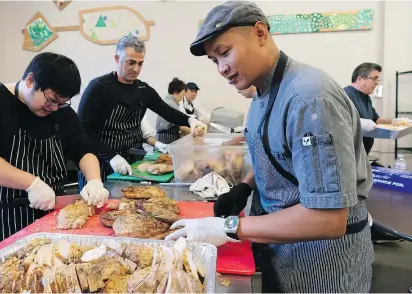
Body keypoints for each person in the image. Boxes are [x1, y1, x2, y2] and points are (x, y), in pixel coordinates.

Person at [166, 2, 374, 292]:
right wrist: (246, 187)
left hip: (322, 262)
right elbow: (277, 154)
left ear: (260, 33)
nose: (222, 68)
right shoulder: (263, 92)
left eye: (225, 53)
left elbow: (327, 218)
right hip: (282, 250)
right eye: (214, 61)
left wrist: (229, 228)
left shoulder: (309, 99)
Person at [0, 52, 109, 265]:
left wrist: (94, 180)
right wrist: (32, 183)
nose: (54, 108)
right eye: (51, 100)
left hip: (49, 221)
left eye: (61, 103)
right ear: (30, 80)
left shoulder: (62, 113)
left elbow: (83, 150)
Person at [77, 36, 206, 181]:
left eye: (140, 64)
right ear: (117, 59)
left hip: (133, 163)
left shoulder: (143, 90)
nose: (136, 69)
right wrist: (111, 156)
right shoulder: (99, 87)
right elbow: (82, 129)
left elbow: (167, 111)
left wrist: (190, 120)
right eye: (130, 63)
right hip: (101, 164)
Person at [344, 63, 392, 154]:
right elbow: (342, 121)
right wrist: (360, 122)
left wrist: (396, 121)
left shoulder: (366, 97)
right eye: (374, 78)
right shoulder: (346, 95)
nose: (377, 83)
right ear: (359, 79)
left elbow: (377, 120)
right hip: (350, 154)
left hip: (363, 155)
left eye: (378, 79)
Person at [156, 78, 193, 143]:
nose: (182, 97)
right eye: (182, 94)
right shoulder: (170, 104)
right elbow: (181, 126)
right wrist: (194, 130)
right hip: (166, 138)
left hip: (167, 137)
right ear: (176, 91)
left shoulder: (169, 102)